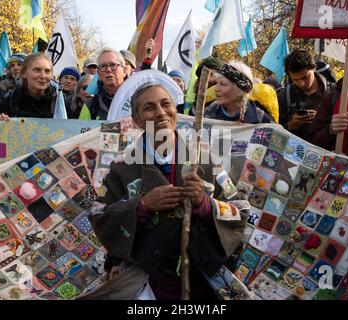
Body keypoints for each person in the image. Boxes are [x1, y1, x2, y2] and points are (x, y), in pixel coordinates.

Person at [88, 83, 246, 300]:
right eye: (150, 108)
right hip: (150, 278)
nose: (161, 113)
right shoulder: (122, 166)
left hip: (202, 278)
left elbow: (240, 209)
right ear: (137, 120)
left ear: (175, 109)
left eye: (166, 104)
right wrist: (142, 207)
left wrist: (204, 204)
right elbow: (99, 215)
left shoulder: (206, 160)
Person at [278, 49, 335, 140]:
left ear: (313, 68)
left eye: (305, 77)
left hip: (325, 151)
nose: (301, 84)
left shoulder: (333, 92)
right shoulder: (283, 96)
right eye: (295, 80)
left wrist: (321, 120)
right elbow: (275, 134)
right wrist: (290, 125)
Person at [205, 61, 273, 124]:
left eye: (223, 84)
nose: (216, 89)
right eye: (216, 83)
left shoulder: (259, 119)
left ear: (240, 91)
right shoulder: (207, 113)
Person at [0, 52, 56, 120]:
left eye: (47, 71)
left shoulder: (59, 101)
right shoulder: (10, 101)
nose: (43, 76)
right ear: (24, 73)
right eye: (37, 70)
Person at [88, 48, 126, 120]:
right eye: (103, 66)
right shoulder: (90, 105)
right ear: (98, 74)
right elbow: (80, 129)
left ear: (124, 71)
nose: (108, 69)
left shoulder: (139, 98)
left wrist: (148, 131)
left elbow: (150, 123)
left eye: (113, 65)